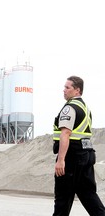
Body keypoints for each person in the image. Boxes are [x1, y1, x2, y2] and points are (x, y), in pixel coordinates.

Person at [52, 75, 105, 216]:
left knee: (63, 198)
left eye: (67, 87)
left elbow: (65, 134)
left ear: (77, 91)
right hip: (87, 154)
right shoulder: (86, 108)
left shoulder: (70, 108)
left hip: (72, 157)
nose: (64, 90)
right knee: (89, 195)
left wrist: (60, 160)